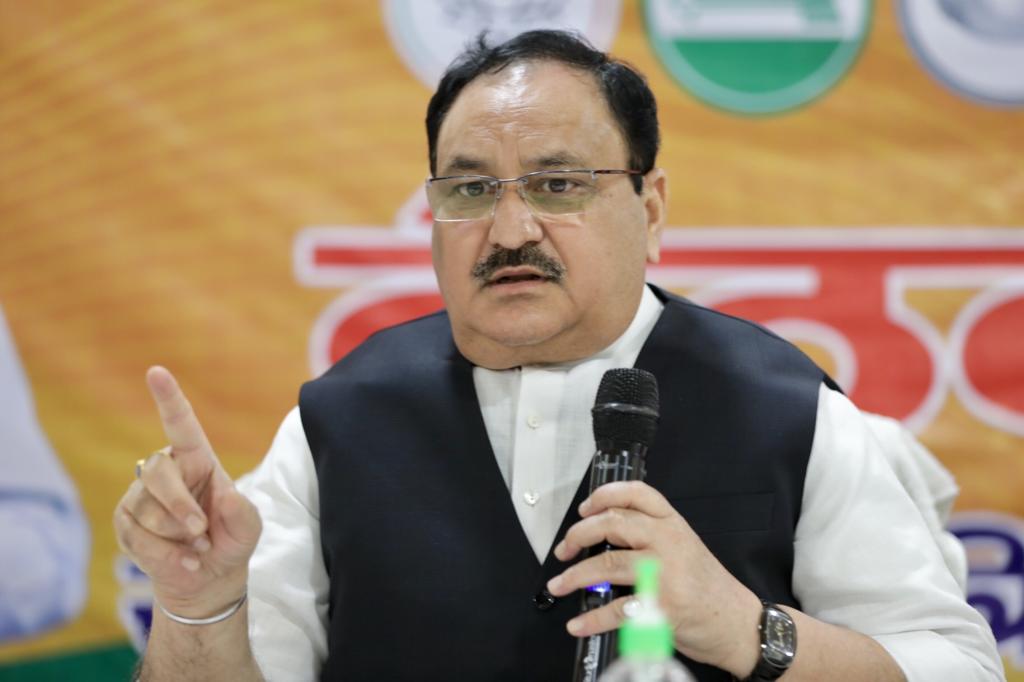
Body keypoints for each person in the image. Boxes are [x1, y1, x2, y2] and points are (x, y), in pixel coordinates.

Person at [114, 30, 1005, 681]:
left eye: (558, 184)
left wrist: (748, 628)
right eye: (470, 188)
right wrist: (198, 603)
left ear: (650, 209)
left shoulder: (787, 409)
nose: (509, 231)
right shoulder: (338, 421)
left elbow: (953, 668)